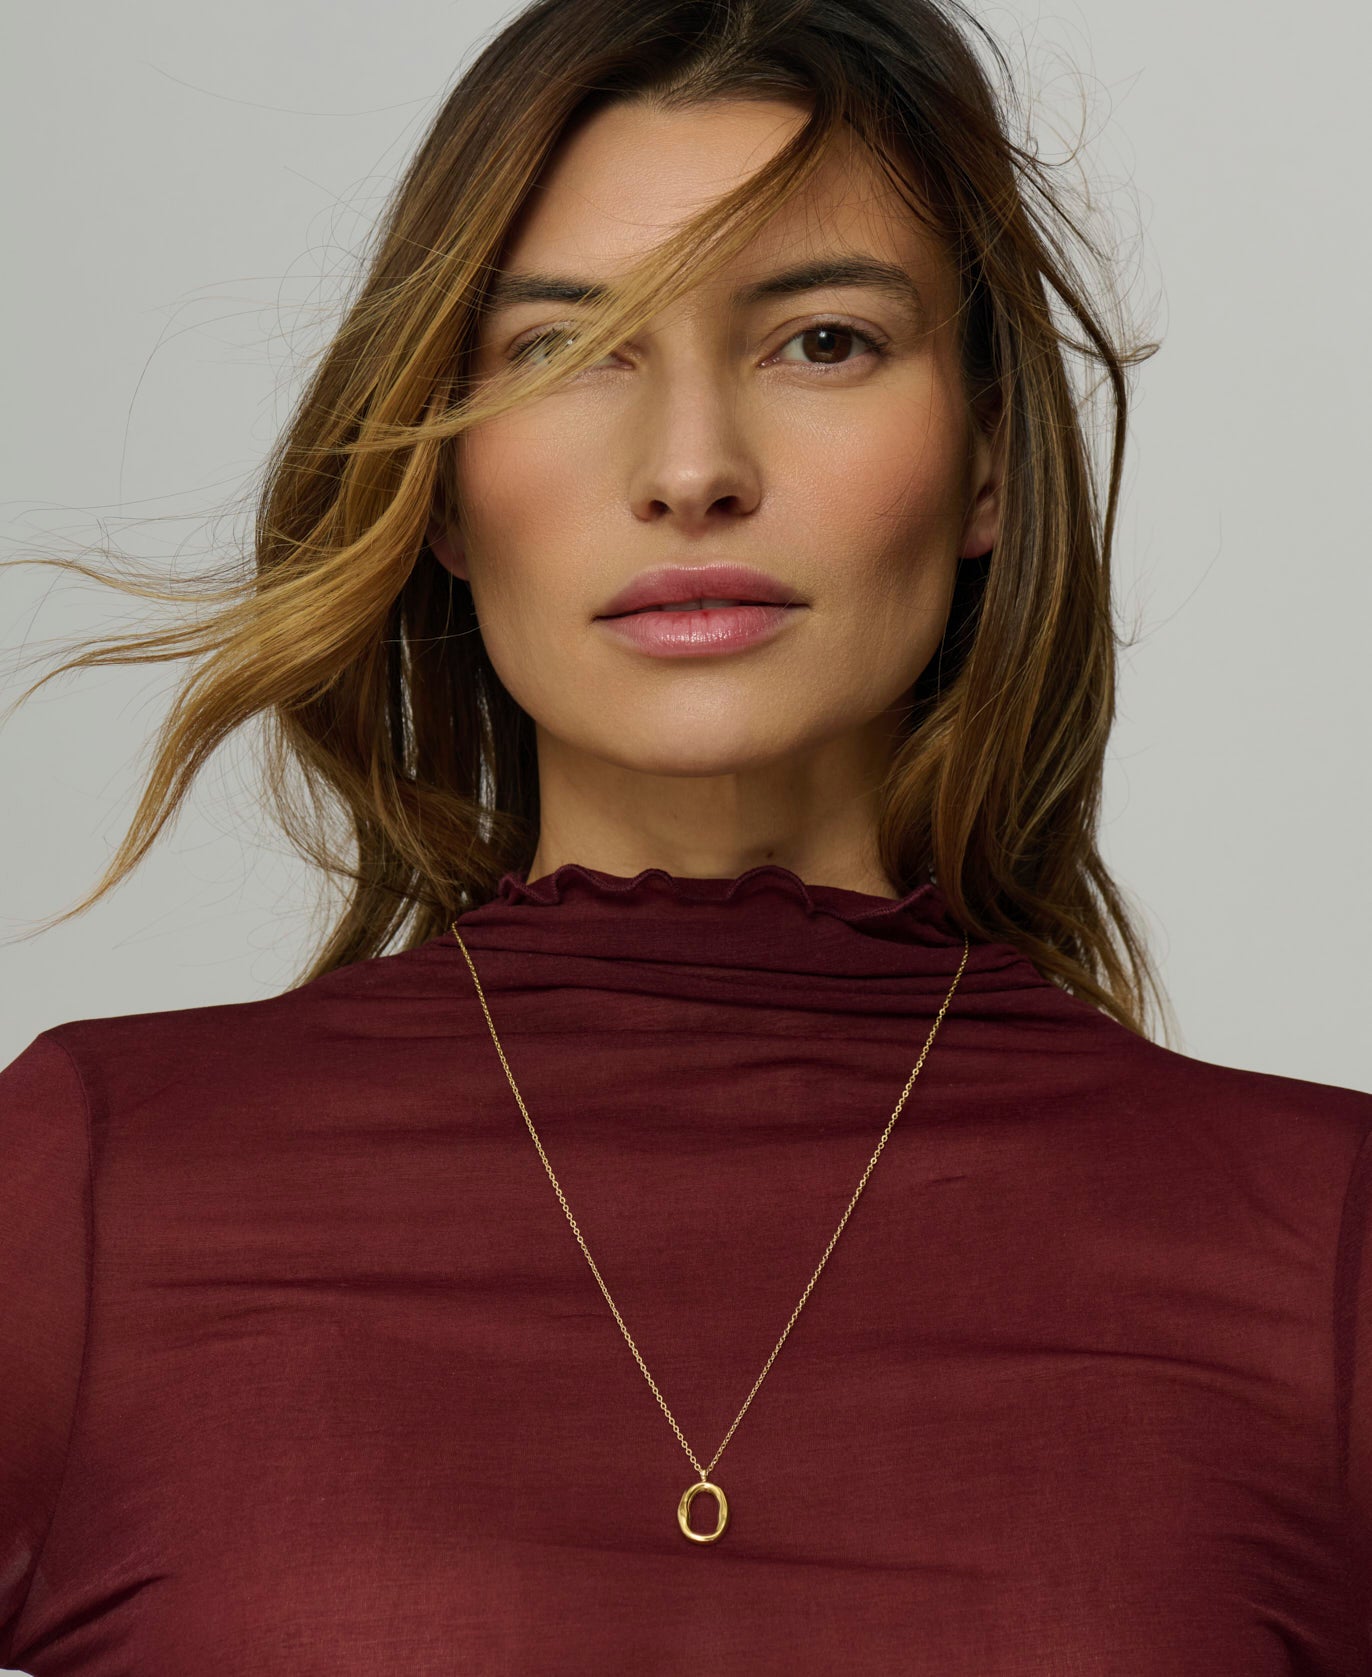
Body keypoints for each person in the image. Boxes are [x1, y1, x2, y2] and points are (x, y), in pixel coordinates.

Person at [2, 0, 1369, 1671]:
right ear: (438, 483)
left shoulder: (1324, 1247)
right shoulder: (94, 1189)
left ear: (992, 457)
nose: (693, 469)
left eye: (823, 342)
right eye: (565, 351)